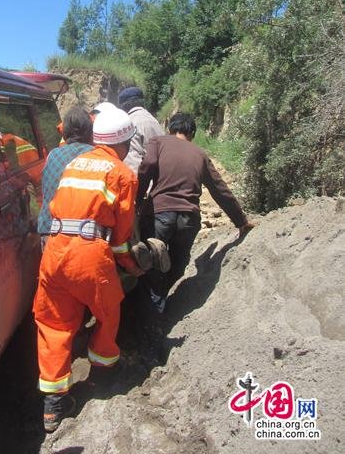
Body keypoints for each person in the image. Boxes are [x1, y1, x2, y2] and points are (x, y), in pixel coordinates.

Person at [33, 107, 144, 432]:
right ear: (124, 142)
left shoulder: (73, 162)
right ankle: (103, 373)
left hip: (54, 252)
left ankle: (52, 405)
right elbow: (121, 239)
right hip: (89, 256)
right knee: (108, 311)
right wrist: (130, 266)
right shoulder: (121, 173)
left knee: (53, 323)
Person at [137, 112, 254, 314]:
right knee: (179, 262)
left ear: (170, 128)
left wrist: (137, 201)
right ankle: (161, 296)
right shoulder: (200, 154)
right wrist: (241, 221)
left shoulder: (159, 142)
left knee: (148, 258)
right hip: (189, 219)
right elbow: (220, 189)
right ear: (192, 132)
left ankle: (148, 299)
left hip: (159, 213)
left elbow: (146, 168)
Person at [37, 107, 94, 245]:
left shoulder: (52, 155)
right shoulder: (97, 155)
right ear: (90, 131)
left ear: (64, 132)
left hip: (50, 232)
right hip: (84, 234)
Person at [118, 87, 164, 174]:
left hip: (141, 181)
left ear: (123, 106)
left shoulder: (128, 124)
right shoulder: (154, 121)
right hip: (158, 179)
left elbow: (132, 160)